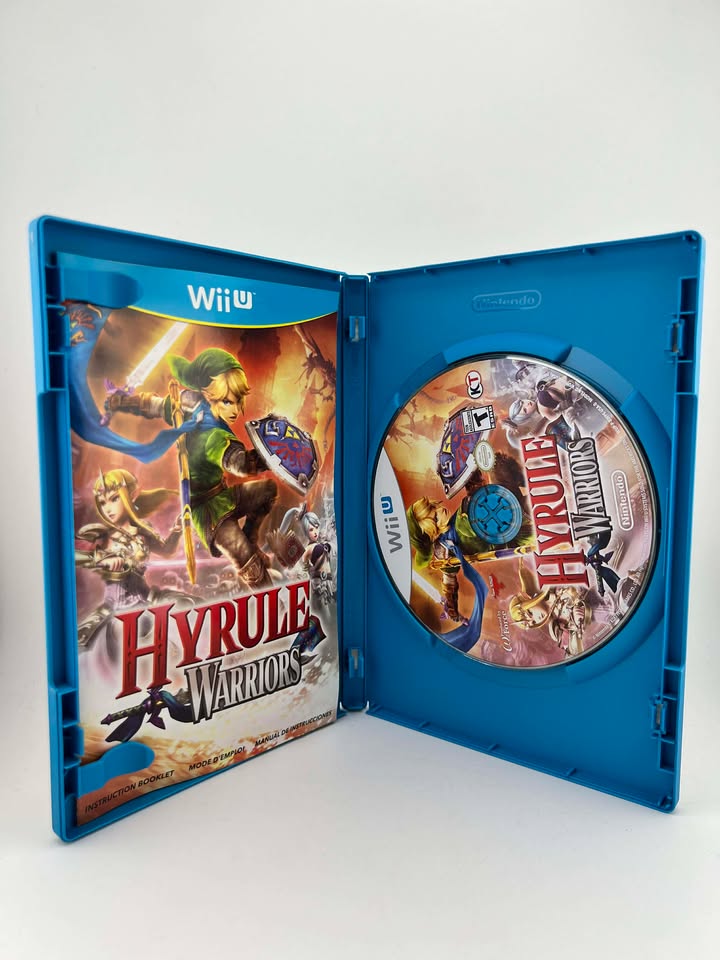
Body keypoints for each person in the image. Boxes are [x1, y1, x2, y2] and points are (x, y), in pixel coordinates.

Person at [106, 348, 277, 590]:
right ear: (208, 394)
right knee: (240, 551)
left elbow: (155, 405)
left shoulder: (193, 405)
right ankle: (268, 596)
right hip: (207, 512)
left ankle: (251, 537)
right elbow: (240, 464)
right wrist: (124, 401)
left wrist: (123, 402)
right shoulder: (208, 430)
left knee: (268, 490)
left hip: (223, 495)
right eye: (227, 401)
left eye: (237, 401)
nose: (235, 410)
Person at [75, 469, 185, 653]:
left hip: (146, 599)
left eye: (114, 499)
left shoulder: (142, 531)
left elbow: (167, 551)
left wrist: (177, 531)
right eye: (102, 502)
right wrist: (101, 558)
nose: (108, 508)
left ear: (130, 496)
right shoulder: (100, 534)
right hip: (115, 607)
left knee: (187, 607)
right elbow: (72, 556)